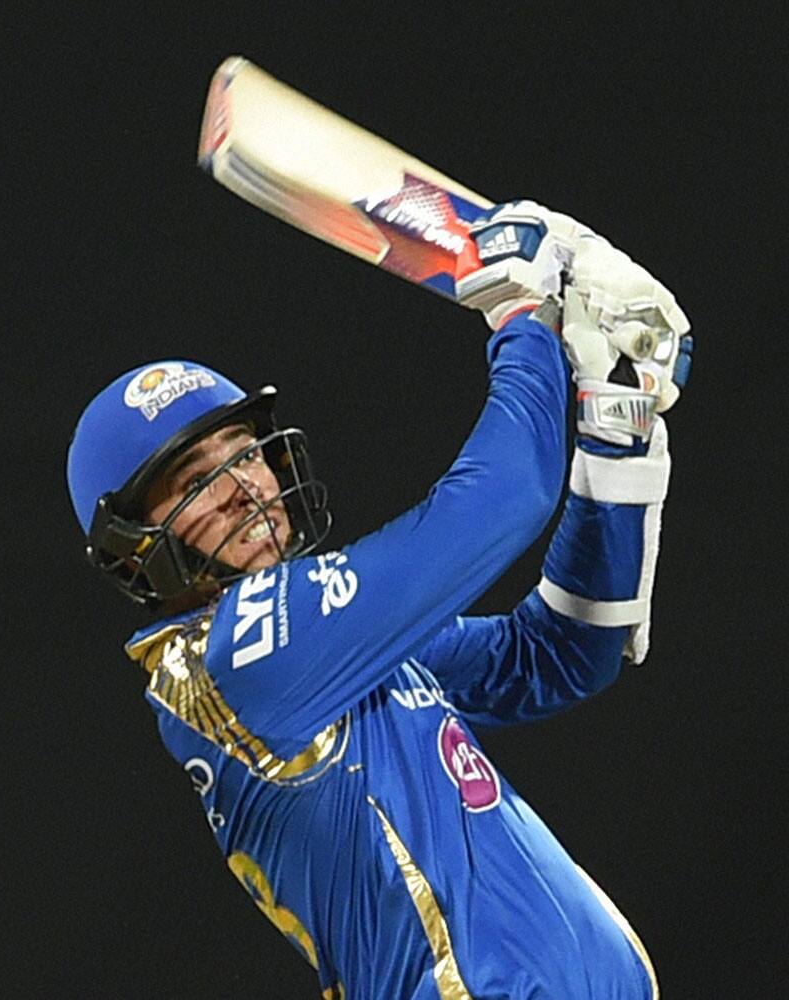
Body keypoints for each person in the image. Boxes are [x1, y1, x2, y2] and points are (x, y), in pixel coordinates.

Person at [67, 202, 692, 1000]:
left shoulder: (320, 651)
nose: (244, 488)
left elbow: (558, 657)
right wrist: (522, 320)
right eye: (195, 483)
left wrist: (614, 434)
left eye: (244, 452)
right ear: (136, 550)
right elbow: (503, 498)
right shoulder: (249, 653)